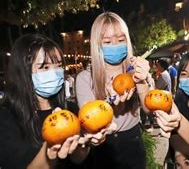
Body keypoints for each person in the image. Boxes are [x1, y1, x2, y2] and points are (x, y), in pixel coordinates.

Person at [0, 34, 107, 169]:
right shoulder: (6, 118)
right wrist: (50, 149)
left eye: (58, 65)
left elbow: (79, 160)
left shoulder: (70, 109)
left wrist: (84, 143)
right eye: (44, 67)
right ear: (22, 71)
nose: (55, 72)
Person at [75, 12, 154, 169]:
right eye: (107, 41)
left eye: (120, 39)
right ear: (97, 45)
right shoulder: (85, 78)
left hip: (132, 143)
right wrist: (109, 102)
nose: (115, 45)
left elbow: (150, 109)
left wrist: (142, 81)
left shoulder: (138, 69)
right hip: (102, 147)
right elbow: (89, 120)